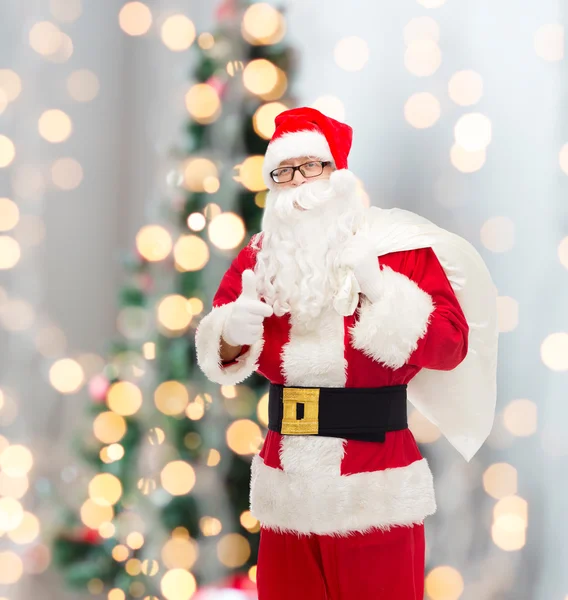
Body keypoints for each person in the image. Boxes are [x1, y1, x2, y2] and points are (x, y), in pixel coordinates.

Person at [195, 107, 498, 600]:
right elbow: (219, 350)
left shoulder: (396, 249)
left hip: (374, 490)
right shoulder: (260, 257)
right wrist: (231, 331)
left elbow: (450, 345)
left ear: (338, 173)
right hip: (287, 490)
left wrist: (383, 290)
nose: (299, 184)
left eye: (311, 167)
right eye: (284, 173)